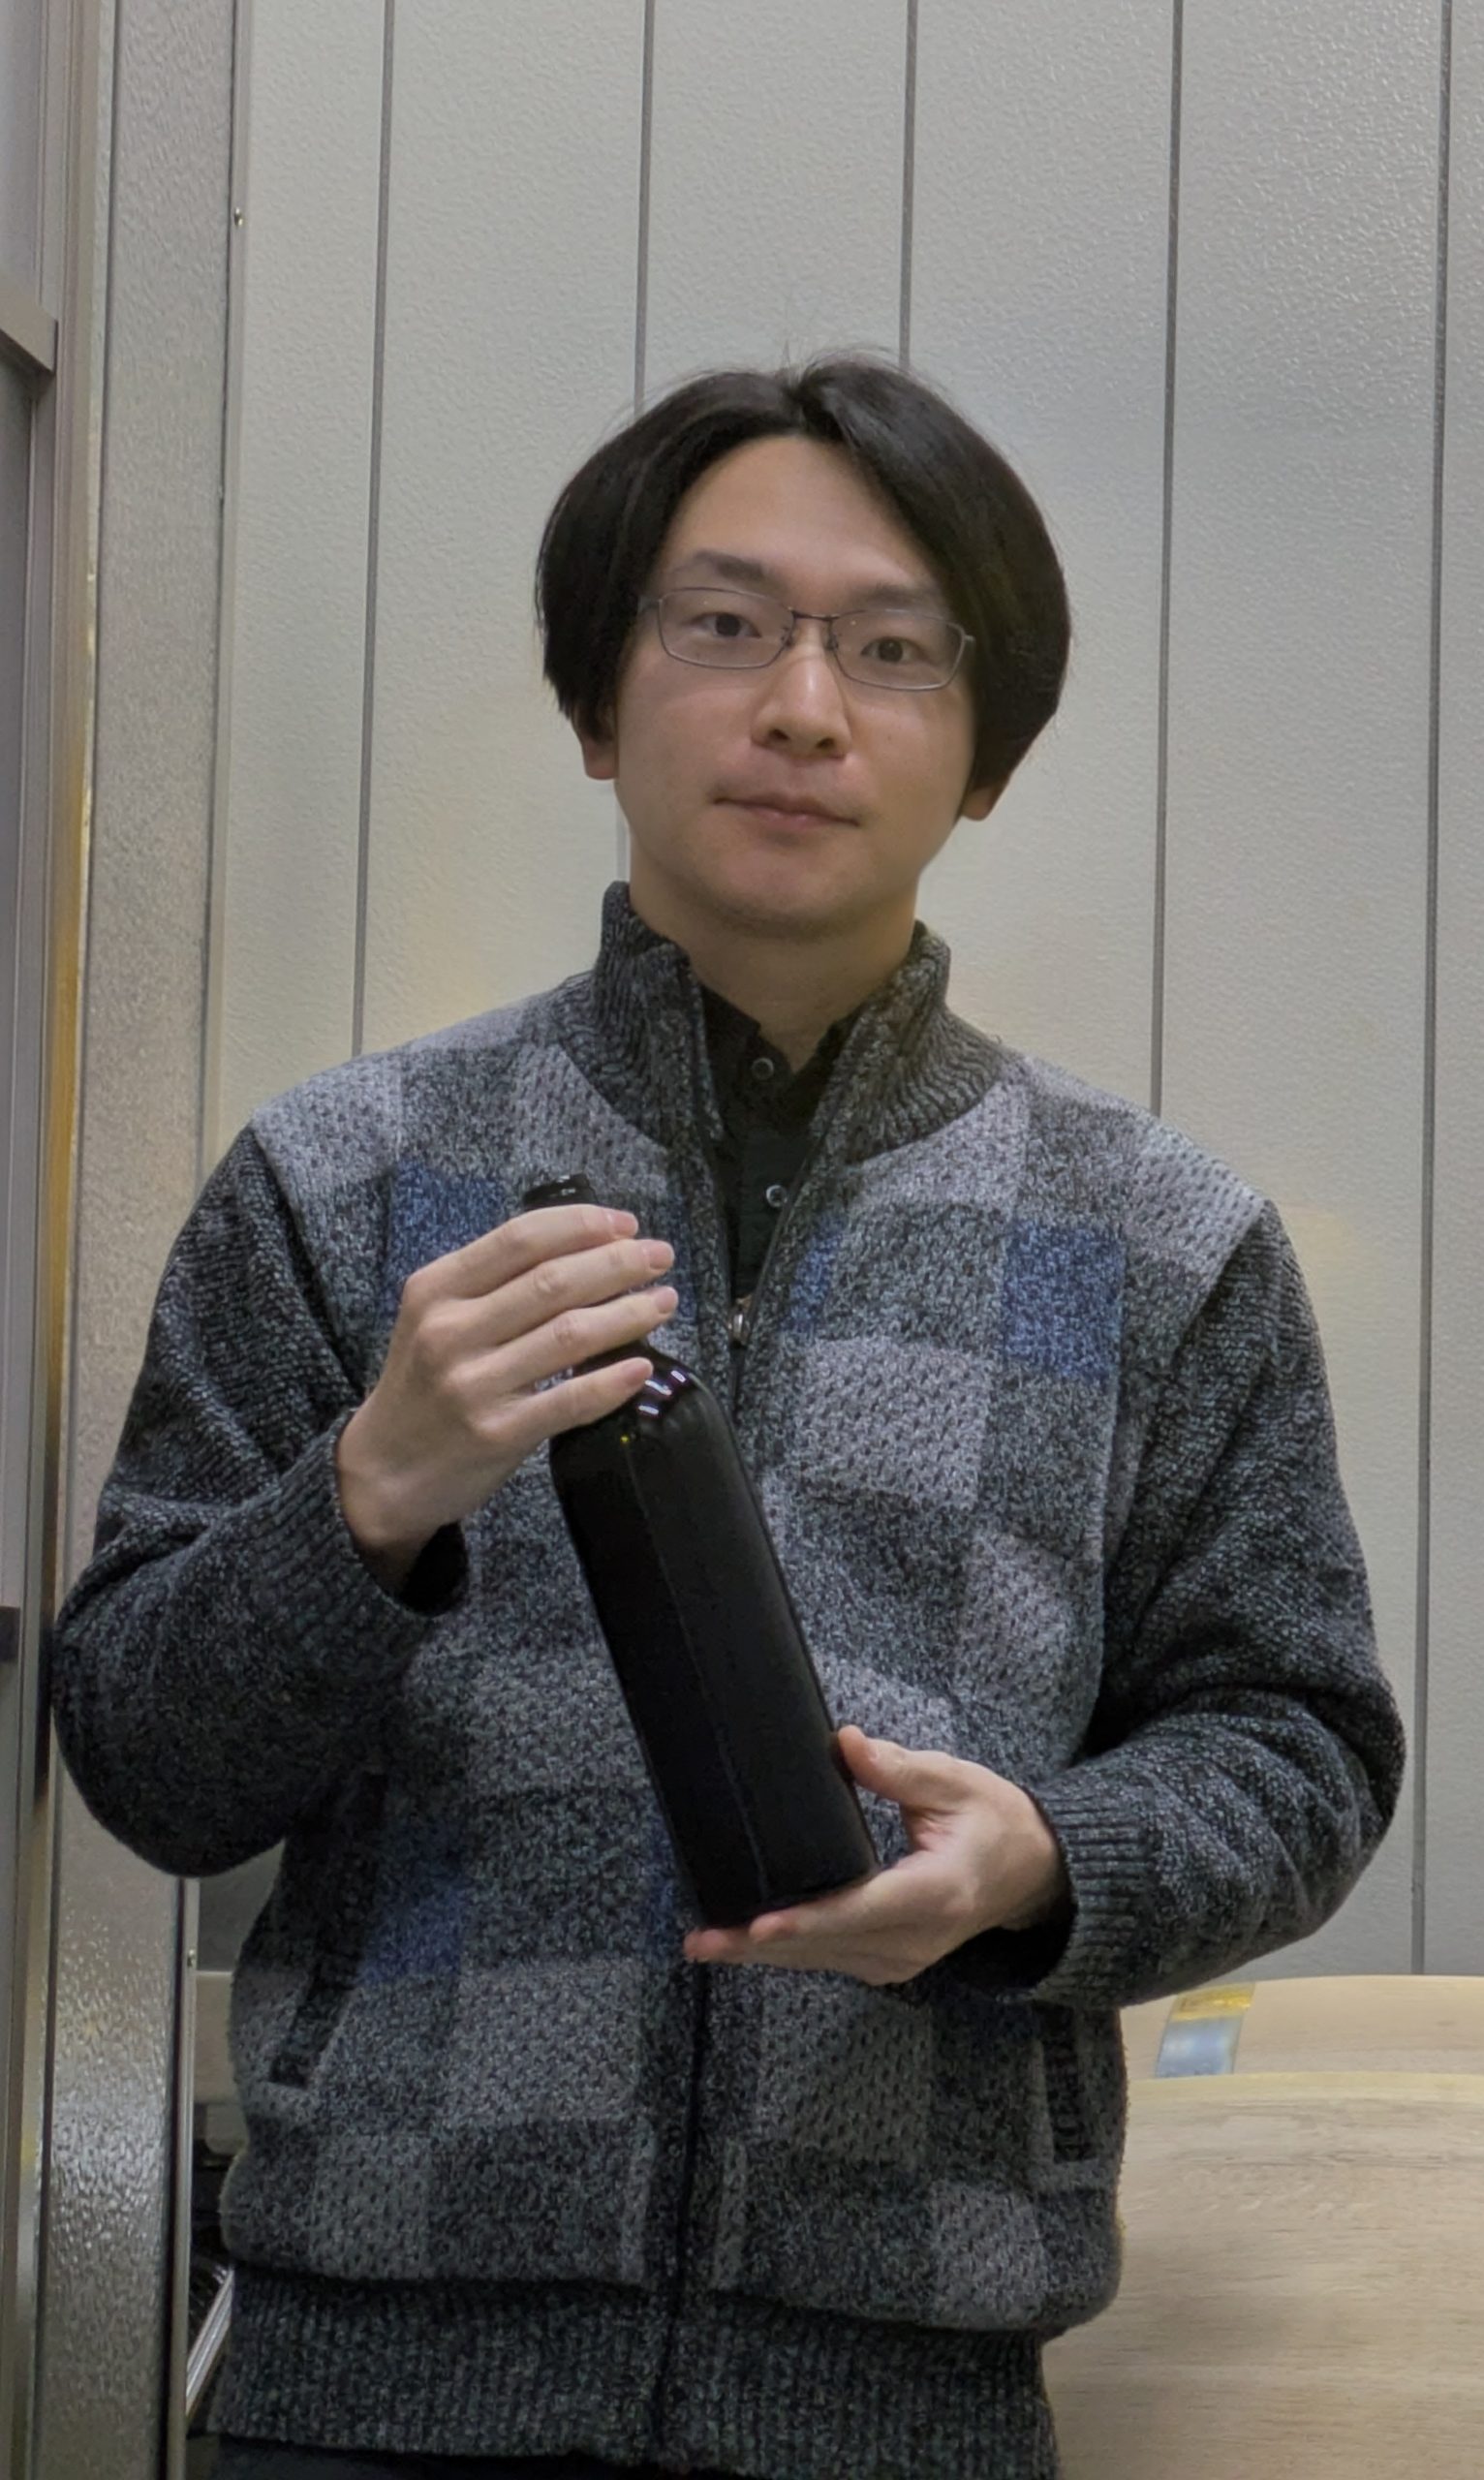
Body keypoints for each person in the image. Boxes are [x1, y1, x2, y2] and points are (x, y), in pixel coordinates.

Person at [50, 356, 1406, 2480]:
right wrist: (370, 1495)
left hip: (908, 2399)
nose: (802, 706)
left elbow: (1296, 1744)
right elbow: (145, 1760)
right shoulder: (344, 1178)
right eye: (723, 624)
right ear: (599, 703)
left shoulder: (1159, 1238)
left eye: (895, 649)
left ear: (986, 751)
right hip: (370, 2392)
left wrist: (1046, 1865)